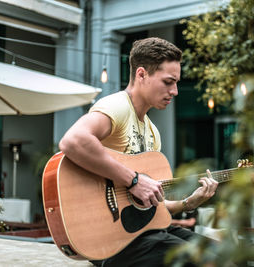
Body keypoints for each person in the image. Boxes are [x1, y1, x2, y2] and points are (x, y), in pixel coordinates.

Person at [59, 37, 219, 266]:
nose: (174, 91)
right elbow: (73, 140)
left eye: (176, 83)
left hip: (144, 234)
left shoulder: (153, 132)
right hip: (113, 242)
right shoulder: (118, 106)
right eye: (168, 82)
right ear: (142, 74)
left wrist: (188, 203)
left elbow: (152, 206)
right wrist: (133, 180)